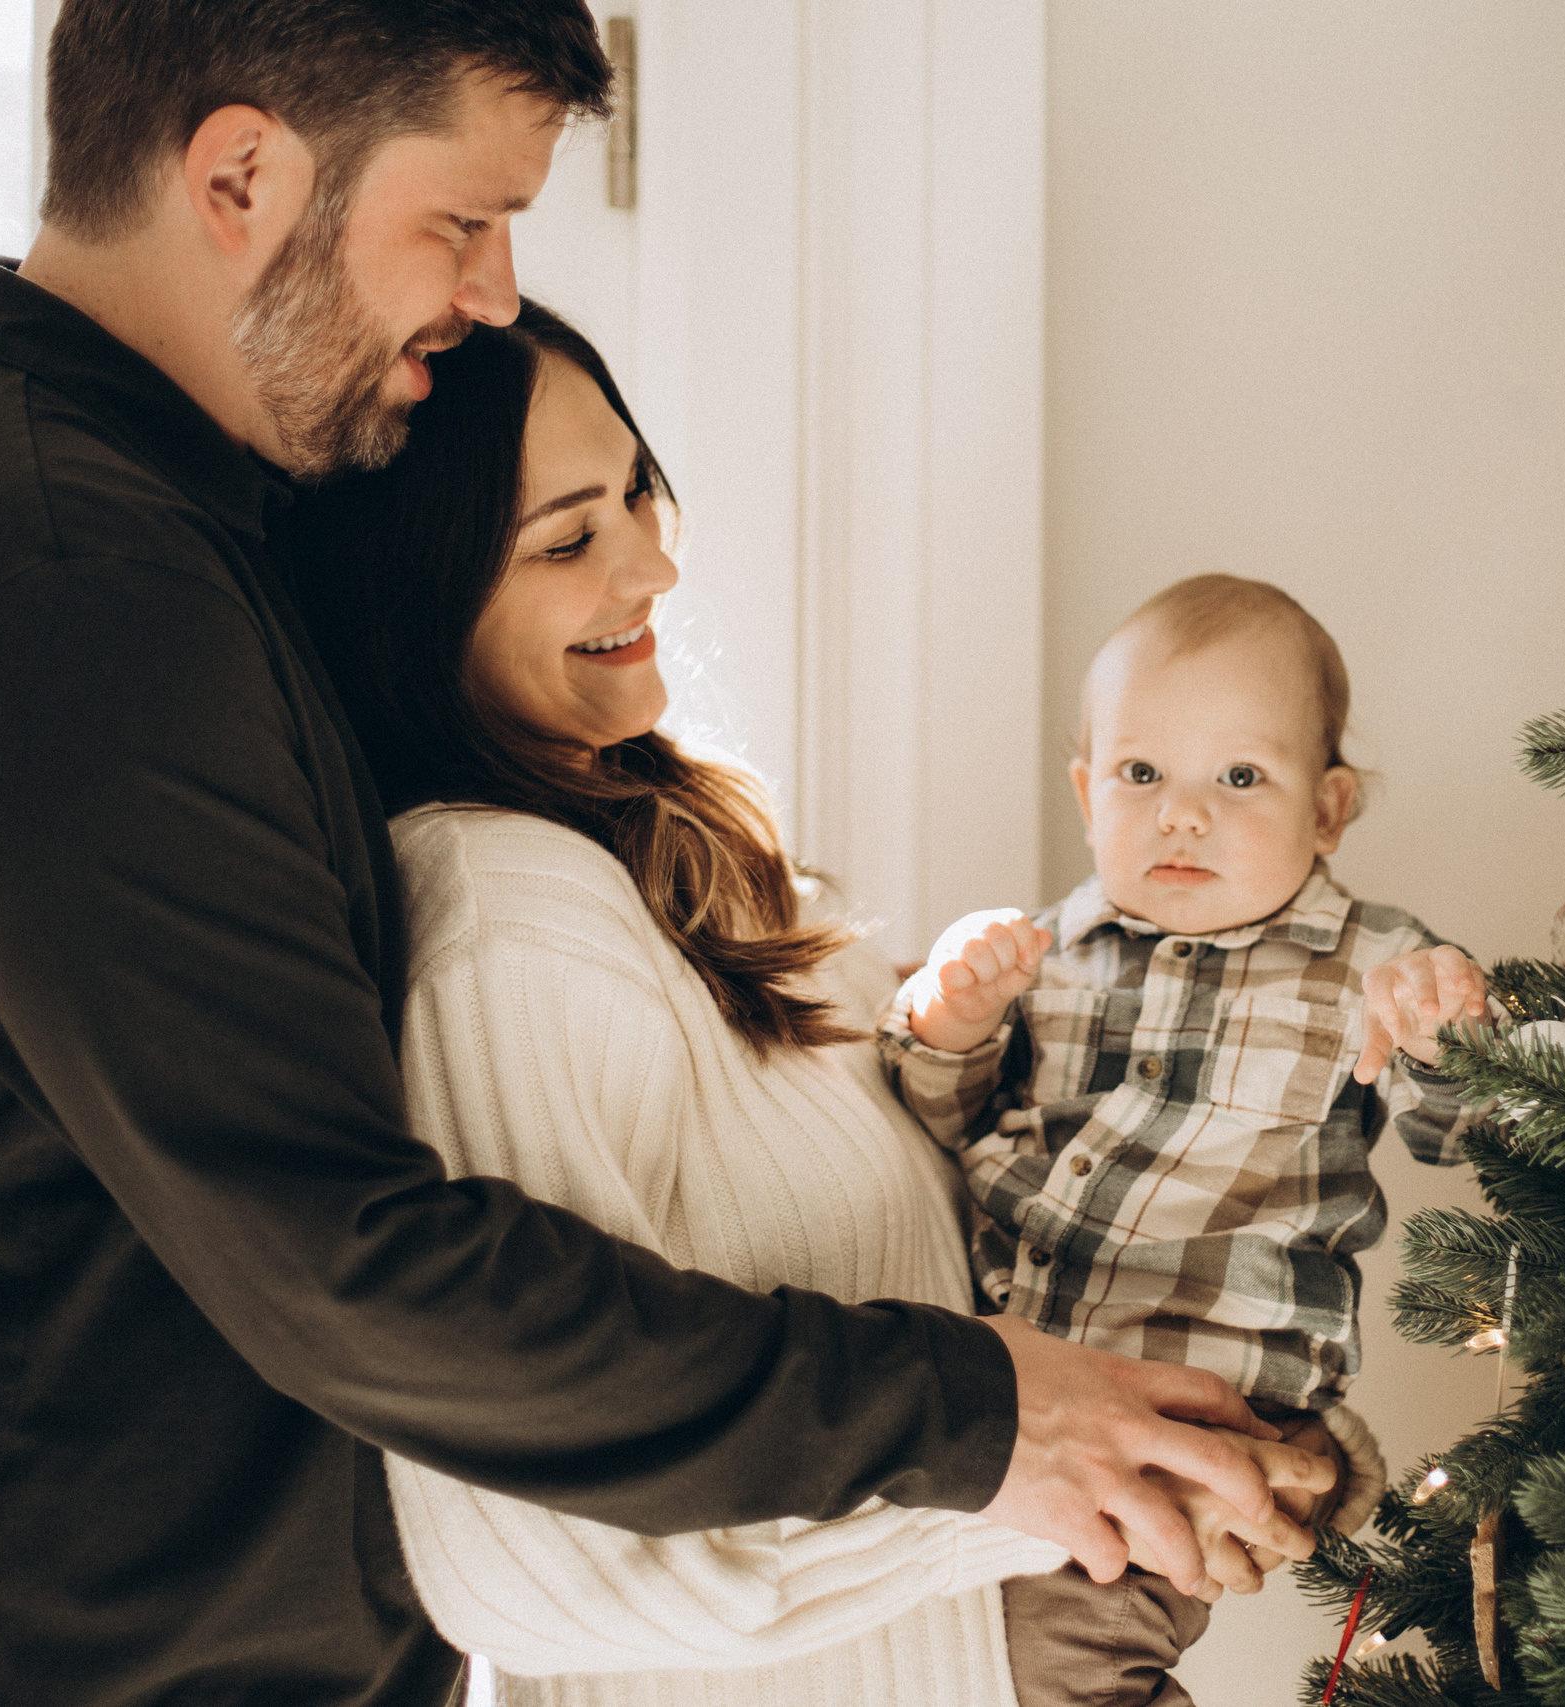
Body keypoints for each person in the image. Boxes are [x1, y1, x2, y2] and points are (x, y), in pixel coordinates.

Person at [0, 7, 1281, 1704]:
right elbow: (345, 1262)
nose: (496, 292)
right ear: (239, 174)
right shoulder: (61, 586)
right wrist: (977, 1419)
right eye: (459, 223)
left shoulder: (151, 531)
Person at [282, 302, 1331, 1707]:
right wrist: (1043, 1475)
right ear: (418, 594)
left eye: (640, 491)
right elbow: (539, 1563)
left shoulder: (684, 854)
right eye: (565, 539)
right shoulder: (502, 915)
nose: (650, 562)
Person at [879, 575, 1494, 1705]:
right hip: (1021, 1388)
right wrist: (949, 1022)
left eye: (1240, 777)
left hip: (1214, 1406)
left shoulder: (1372, 962)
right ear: (1084, 790)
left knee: (1065, 1657)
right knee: (940, 1640)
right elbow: (945, 1124)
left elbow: (1472, 1137)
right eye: (1141, 774)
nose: (1181, 812)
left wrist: (1449, 1034)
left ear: (1328, 809)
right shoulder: (1049, 949)